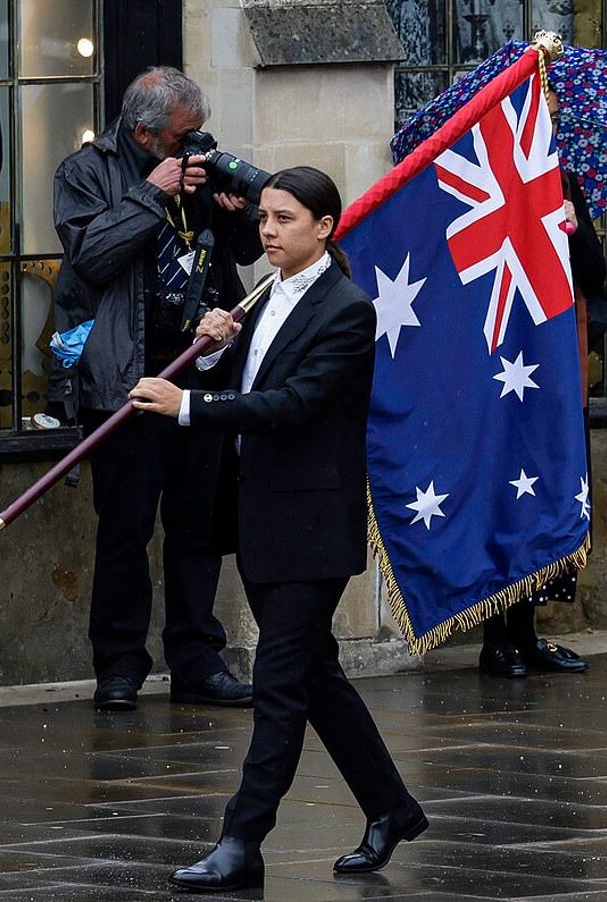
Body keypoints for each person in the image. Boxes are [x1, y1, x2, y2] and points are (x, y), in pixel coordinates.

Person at [129, 166, 429, 892]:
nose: (267, 230)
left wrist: (187, 404)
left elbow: (293, 405)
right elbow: (251, 379)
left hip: (310, 527)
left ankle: (243, 839)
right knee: (314, 676)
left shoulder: (348, 310)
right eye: (263, 217)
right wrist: (216, 348)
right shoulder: (264, 293)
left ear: (324, 228)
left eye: (284, 219)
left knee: (278, 683)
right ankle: (391, 807)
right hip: (259, 516)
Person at [51, 66, 262, 711]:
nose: (193, 146)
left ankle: (197, 661)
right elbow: (91, 257)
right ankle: (119, 667)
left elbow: (240, 257)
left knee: (198, 529)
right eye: (180, 136)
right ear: (143, 133)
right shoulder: (85, 172)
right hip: (129, 381)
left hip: (201, 375)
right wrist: (151, 191)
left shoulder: (197, 167)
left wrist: (235, 216)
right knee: (125, 528)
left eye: (198, 133)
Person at [478, 88, 607, 679]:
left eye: (552, 117)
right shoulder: (489, 175)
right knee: (501, 493)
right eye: (539, 114)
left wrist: (572, 227)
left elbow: (593, 274)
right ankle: (494, 637)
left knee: (549, 488)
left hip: (553, 367)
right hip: (499, 363)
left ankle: (527, 633)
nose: (548, 125)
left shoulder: (562, 179)